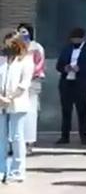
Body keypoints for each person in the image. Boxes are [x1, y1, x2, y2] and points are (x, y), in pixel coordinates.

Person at [0, 31, 35, 183]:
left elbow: (24, 84)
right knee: (1, 138)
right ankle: (2, 170)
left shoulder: (26, 61)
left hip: (17, 103)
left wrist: (10, 98)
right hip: (1, 103)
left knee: (16, 137)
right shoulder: (2, 60)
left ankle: (17, 171)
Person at [56, 27, 86, 146]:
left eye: (77, 39)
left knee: (82, 110)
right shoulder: (66, 49)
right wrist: (65, 68)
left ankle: (83, 135)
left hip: (81, 84)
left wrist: (80, 69)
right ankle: (64, 136)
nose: (75, 41)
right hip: (66, 83)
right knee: (66, 110)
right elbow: (59, 65)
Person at [17, 24, 43, 156]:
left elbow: (39, 65)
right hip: (17, 85)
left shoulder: (36, 47)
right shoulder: (16, 47)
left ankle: (29, 143)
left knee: (31, 114)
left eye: (24, 32)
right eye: (20, 32)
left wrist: (28, 76)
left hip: (32, 83)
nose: (22, 34)